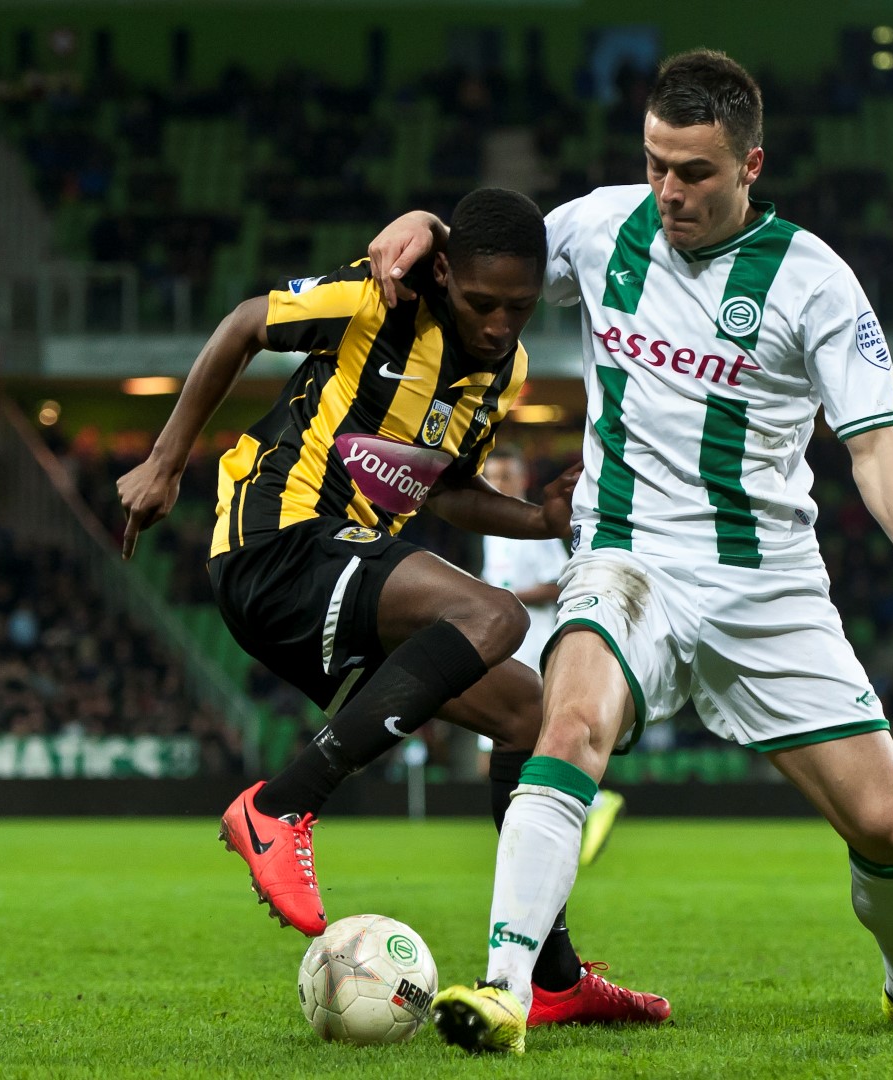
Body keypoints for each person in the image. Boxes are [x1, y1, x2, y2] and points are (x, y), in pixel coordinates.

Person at [368, 52, 893, 1055]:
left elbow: (874, 444)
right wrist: (431, 224)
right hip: (627, 557)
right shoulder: (602, 226)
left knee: (890, 829)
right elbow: (492, 258)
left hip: (766, 584)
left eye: (693, 172)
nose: (669, 191)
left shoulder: (814, 281)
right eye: (656, 165)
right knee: (570, 725)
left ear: (750, 165)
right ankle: (505, 988)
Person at [116, 187, 668, 1027]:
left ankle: (553, 978)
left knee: (531, 716)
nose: (498, 325)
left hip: (344, 567)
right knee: (497, 618)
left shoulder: (503, 373)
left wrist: (537, 520)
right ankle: (280, 805)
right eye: (480, 303)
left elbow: (439, 486)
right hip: (274, 538)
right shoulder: (380, 300)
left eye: (518, 308)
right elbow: (242, 324)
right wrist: (166, 461)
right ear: (443, 273)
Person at [480, 448, 626, 867]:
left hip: (534, 646)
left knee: (535, 739)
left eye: (505, 477)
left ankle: (588, 805)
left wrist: (506, 597)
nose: (497, 485)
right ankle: (559, 821)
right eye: (491, 477)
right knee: (509, 746)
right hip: (504, 647)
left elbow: (560, 582)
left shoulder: (533, 526)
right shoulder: (492, 531)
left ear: (522, 480)